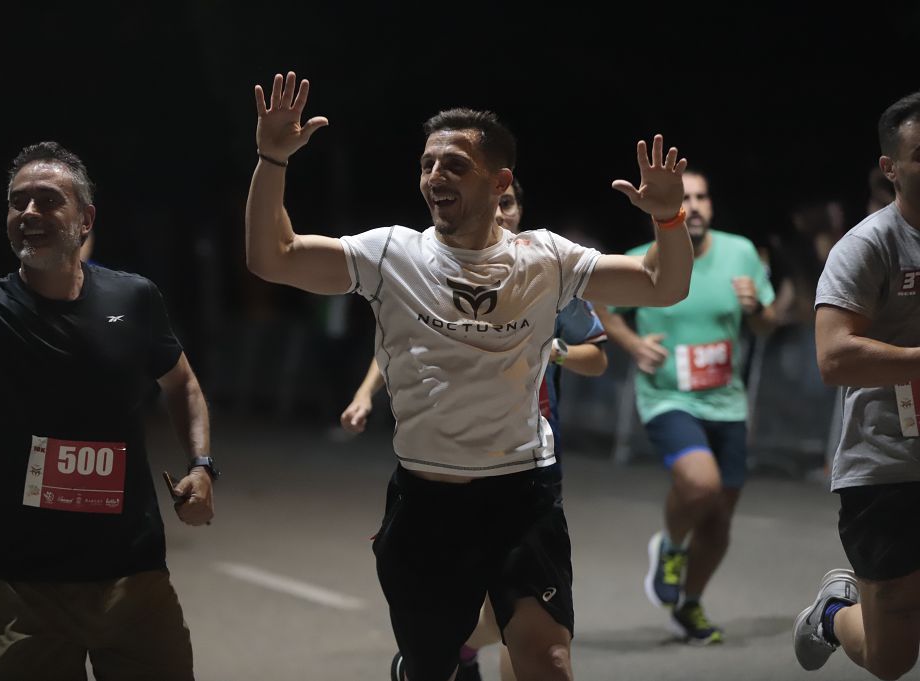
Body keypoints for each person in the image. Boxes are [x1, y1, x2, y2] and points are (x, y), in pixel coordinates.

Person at [246, 71, 692, 681]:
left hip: (522, 494)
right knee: (433, 666)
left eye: (454, 165)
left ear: (499, 180)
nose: (435, 177)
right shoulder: (390, 255)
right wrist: (273, 158)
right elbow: (273, 256)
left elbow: (662, 285)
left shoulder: (545, 258)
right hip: (428, 501)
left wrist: (669, 220)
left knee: (549, 660)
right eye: (428, 164)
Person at [0, 141, 216, 680]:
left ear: (86, 218)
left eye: (47, 201)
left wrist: (202, 467)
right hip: (25, 590)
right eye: (18, 202)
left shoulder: (133, 299)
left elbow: (181, 384)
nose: (29, 214)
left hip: (132, 581)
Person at [340, 178, 608, 681]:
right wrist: (363, 394)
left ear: (519, 210)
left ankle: (460, 648)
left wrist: (556, 349)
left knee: (529, 626)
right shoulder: (429, 265)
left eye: (509, 204)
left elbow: (598, 356)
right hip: (451, 469)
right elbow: (396, 344)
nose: (501, 213)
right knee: (480, 601)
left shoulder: (547, 270)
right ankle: (449, 650)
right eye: (496, 203)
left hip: (529, 460)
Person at [596, 168, 777, 643]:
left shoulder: (740, 252)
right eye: (685, 197)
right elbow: (603, 310)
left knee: (719, 521)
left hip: (728, 403)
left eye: (701, 197)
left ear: (711, 206)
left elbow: (766, 324)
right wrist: (634, 345)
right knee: (701, 486)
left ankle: (690, 606)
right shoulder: (643, 258)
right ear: (672, 205)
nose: (693, 206)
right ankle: (673, 547)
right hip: (668, 397)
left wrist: (758, 308)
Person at [793, 91, 920, 680]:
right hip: (886, 464)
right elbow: (834, 357)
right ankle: (833, 614)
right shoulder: (869, 245)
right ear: (890, 167)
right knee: (893, 658)